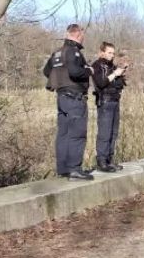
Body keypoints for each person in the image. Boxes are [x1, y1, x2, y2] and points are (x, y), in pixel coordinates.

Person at [43, 24, 94, 181]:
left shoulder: (57, 52)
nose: (83, 37)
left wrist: (60, 78)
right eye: (82, 35)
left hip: (62, 97)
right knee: (77, 133)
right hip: (75, 98)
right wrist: (88, 70)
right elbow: (75, 71)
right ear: (78, 35)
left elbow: (46, 71)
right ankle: (75, 169)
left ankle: (63, 169)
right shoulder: (74, 51)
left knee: (63, 134)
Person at [92, 41, 128, 172]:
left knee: (114, 132)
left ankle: (109, 159)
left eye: (113, 53)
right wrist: (115, 74)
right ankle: (101, 161)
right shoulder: (97, 65)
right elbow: (101, 83)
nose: (112, 55)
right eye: (109, 53)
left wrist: (121, 73)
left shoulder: (111, 66)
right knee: (104, 133)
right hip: (105, 101)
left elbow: (118, 84)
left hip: (115, 100)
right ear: (102, 52)